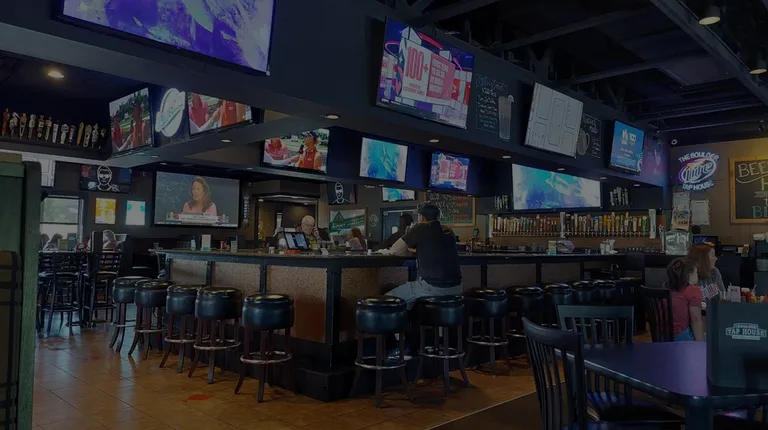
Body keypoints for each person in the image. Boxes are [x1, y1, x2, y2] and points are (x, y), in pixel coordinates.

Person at [387, 202, 462, 309]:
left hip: (433, 287)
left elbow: (394, 250)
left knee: (388, 299)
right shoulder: (449, 231)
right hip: (457, 288)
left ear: (421, 217)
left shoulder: (420, 228)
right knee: (411, 300)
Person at [667, 257, 705, 341]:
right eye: (696, 273)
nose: (697, 275)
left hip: (662, 337)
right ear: (689, 276)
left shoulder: (667, 288)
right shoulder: (693, 290)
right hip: (680, 337)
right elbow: (695, 320)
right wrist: (701, 345)